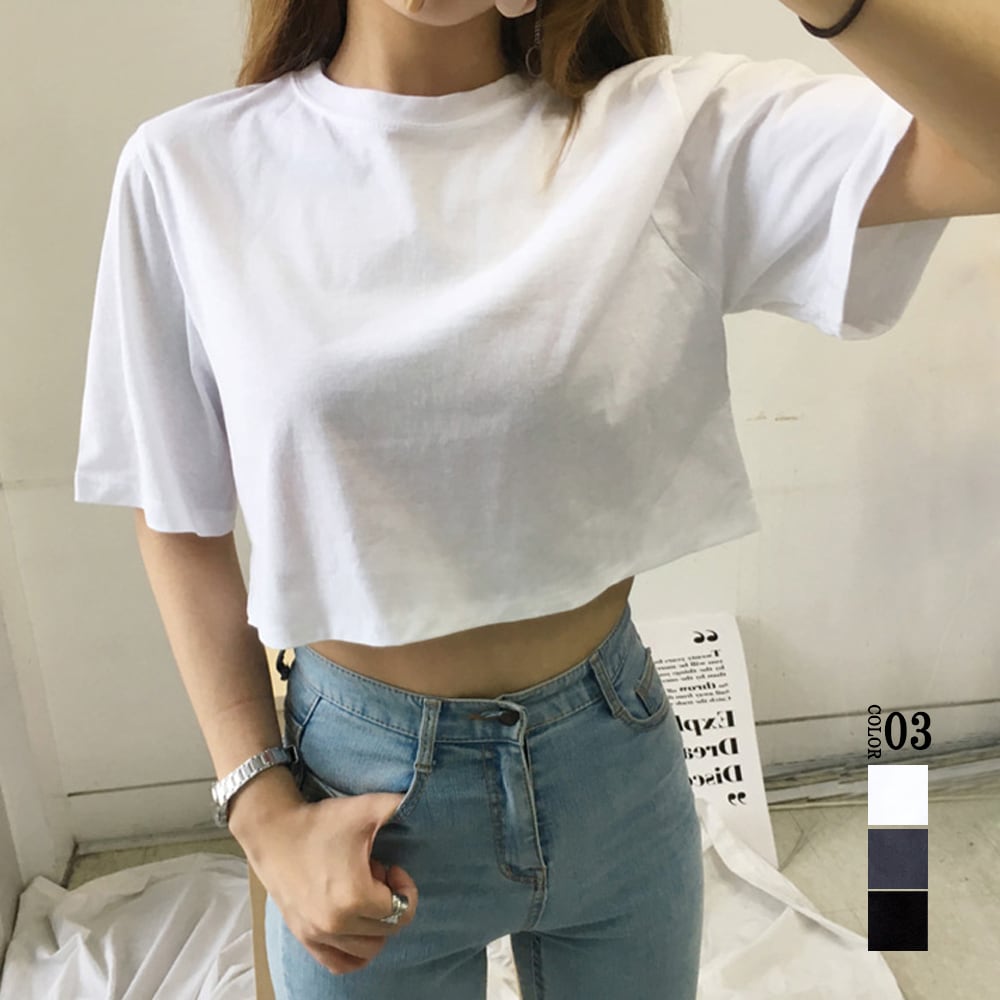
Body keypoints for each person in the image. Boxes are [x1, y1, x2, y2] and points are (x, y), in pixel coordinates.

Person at [75, 0, 950, 995]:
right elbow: (177, 517)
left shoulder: (668, 129)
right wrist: (259, 807)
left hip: (613, 759)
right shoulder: (189, 169)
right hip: (357, 787)